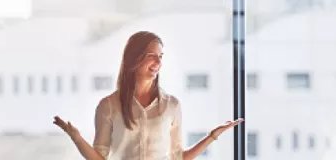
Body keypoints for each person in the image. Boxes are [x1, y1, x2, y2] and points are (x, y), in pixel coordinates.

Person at [53, 31, 244, 160]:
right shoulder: (108, 106)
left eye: (160, 57)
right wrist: (76, 137)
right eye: (151, 55)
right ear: (134, 58)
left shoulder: (172, 106)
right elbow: (100, 157)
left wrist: (212, 136)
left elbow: (177, 156)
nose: (157, 62)